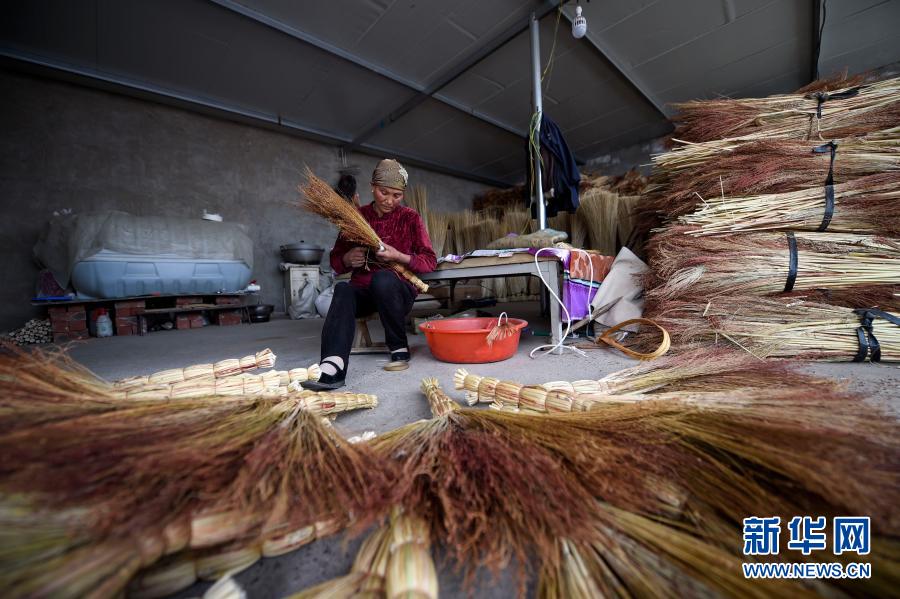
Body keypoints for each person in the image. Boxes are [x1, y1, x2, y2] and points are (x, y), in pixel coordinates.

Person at [302, 159, 436, 390]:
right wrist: (347, 258)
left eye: (397, 195)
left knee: (383, 279)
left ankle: (398, 346)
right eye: (384, 193)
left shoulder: (410, 218)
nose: (390, 200)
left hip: (397, 292)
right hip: (363, 293)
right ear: (372, 186)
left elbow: (429, 261)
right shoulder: (356, 217)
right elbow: (336, 260)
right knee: (343, 289)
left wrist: (398, 256)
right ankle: (332, 365)